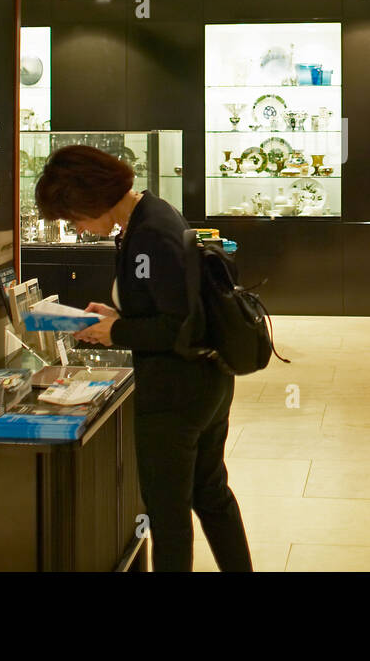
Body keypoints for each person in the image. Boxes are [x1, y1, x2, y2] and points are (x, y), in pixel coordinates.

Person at [34, 145, 253, 572]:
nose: (77, 227)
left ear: (90, 199)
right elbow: (173, 306)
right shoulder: (154, 214)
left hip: (175, 393)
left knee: (168, 516)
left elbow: (176, 327)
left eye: (74, 217)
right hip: (207, 381)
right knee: (211, 494)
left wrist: (115, 330)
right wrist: (119, 316)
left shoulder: (147, 234)